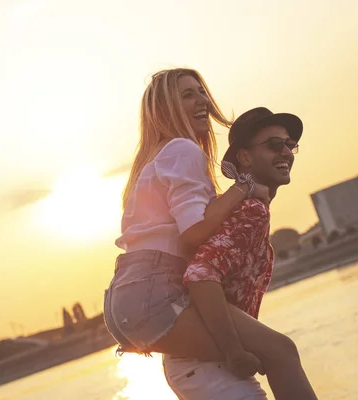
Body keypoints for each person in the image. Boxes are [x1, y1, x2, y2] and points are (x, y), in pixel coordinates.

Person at [102, 68, 317, 400]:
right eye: (188, 95)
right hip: (155, 292)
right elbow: (192, 235)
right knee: (280, 352)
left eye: (201, 91)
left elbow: (192, 227)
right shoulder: (182, 150)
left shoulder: (157, 158)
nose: (202, 100)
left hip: (133, 293)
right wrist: (243, 188)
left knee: (265, 353)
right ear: (165, 108)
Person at [162, 107, 317, 399]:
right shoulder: (250, 210)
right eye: (274, 145)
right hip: (205, 364)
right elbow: (199, 274)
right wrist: (234, 351)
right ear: (244, 158)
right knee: (283, 350)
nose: (285, 152)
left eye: (289, 144)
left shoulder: (240, 207)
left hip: (197, 362)